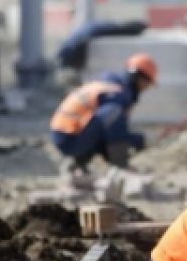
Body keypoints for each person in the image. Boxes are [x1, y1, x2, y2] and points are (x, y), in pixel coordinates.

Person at [49, 52, 157, 181]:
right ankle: (121, 170)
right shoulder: (118, 95)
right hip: (70, 138)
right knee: (114, 121)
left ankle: (77, 165)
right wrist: (133, 141)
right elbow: (110, 126)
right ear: (139, 78)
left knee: (108, 126)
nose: (146, 88)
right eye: (147, 83)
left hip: (64, 133)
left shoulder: (109, 85)